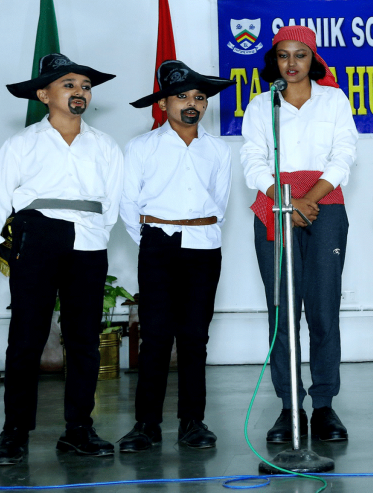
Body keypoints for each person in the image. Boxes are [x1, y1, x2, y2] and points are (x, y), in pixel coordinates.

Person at [0, 53, 123, 465]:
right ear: (43, 94)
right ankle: (14, 433)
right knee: (26, 341)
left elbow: (114, 202)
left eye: (85, 86)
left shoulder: (104, 146)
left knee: (84, 341)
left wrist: (92, 239)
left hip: (87, 247)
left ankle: (78, 430)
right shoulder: (22, 144)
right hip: (37, 244)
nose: (79, 92)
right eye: (69, 85)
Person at [238, 26, 357, 443]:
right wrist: (284, 197)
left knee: (323, 310)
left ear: (313, 60)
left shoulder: (334, 100)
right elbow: (252, 160)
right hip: (275, 206)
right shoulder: (261, 105)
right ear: (275, 61)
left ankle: (324, 406)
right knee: (283, 313)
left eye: (300, 55)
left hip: (325, 206)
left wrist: (309, 199)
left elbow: (344, 154)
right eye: (284, 56)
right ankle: (290, 406)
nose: (292, 64)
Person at [116, 60, 234, 452]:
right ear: (164, 103)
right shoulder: (142, 146)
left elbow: (220, 201)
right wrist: (153, 239)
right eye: (182, 96)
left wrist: (196, 229)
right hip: (158, 245)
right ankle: (146, 424)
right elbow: (128, 202)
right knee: (155, 336)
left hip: (203, 246)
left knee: (195, 337)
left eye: (199, 97)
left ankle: (192, 422)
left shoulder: (218, 150)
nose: (191, 104)